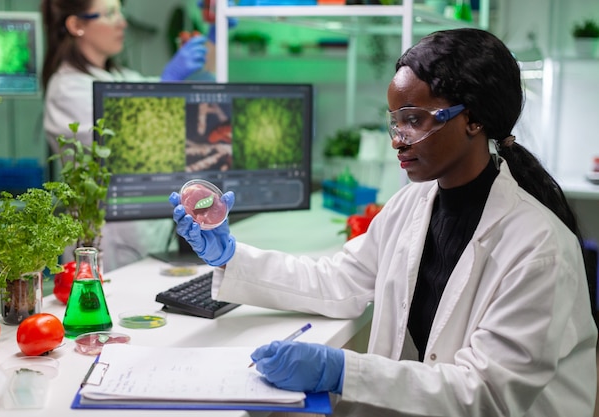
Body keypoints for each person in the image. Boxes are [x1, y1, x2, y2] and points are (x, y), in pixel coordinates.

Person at [169, 28, 598, 416]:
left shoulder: (538, 248)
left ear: (474, 119)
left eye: (414, 120)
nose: (397, 138)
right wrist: (230, 255)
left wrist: (342, 371)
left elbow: (486, 394)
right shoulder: (412, 205)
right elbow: (338, 280)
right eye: (395, 120)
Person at [40, 0, 211, 270]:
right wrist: (167, 85)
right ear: (76, 25)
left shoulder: (119, 76)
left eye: (120, 11)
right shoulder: (67, 89)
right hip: (106, 245)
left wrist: (212, 37)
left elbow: (171, 113)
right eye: (110, 14)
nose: (123, 22)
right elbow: (130, 138)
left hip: (148, 232)